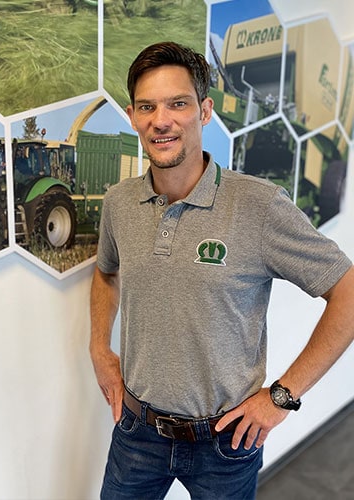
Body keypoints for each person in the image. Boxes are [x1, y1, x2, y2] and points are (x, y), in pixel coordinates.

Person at [89, 41, 354, 499]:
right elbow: (106, 272)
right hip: (137, 431)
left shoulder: (258, 206)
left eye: (178, 104)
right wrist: (98, 347)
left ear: (205, 111)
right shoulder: (119, 203)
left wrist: (282, 397)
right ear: (132, 116)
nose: (161, 120)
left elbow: (347, 292)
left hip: (227, 440)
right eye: (147, 107)